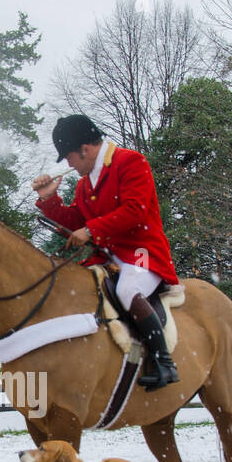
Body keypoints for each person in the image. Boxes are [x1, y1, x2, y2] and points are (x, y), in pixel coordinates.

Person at [32, 114, 180, 390]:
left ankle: (164, 362)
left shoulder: (131, 162)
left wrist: (90, 231)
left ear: (85, 150)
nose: (69, 164)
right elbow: (76, 220)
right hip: (107, 258)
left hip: (142, 255)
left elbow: (135, 211)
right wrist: (49, 198)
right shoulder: (84, 183)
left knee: (127, 291)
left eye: (69, 157)